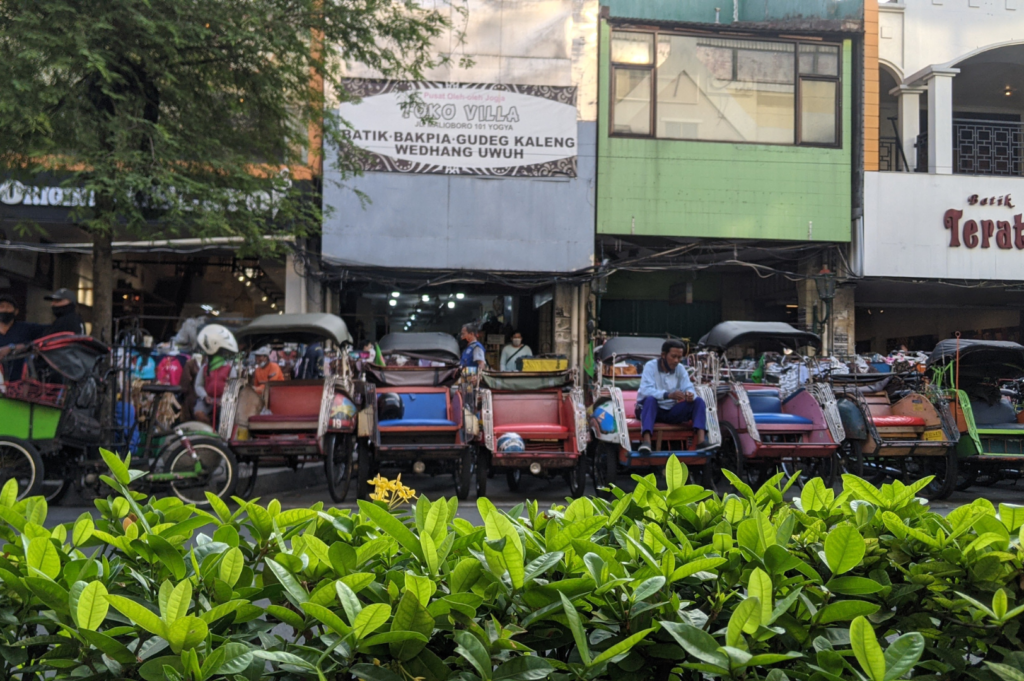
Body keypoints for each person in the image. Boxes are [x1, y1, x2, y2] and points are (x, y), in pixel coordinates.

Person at [635, 339, 708, 453]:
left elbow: (688, 386)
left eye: (679, 358)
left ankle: (701, 442)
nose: (676, 360)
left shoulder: (680, 368)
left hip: (670, 411)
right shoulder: (650, 366)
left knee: (698, 401)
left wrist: (690, 395)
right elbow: (645, 391)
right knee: (650, 399)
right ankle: (646, 442)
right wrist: (667, 395)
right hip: (649, 410)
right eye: (673, 356)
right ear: (663, 355)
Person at [193, 324, 238, 425]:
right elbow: (198, 385)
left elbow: (232, 387)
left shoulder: (230, 369)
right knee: (198, 413)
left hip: (223, 400)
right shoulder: (204, 368)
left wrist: (224, 399)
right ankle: (208, 430)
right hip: (207, 399)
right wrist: (204, 396)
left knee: (226, 415)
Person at [0, 294, 46, 382]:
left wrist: (13, 347)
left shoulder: (27, 328)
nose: (5, 310)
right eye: (1, 307)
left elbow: (50, 333)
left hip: (21, 384)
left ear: (16, 311)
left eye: (8, 307)